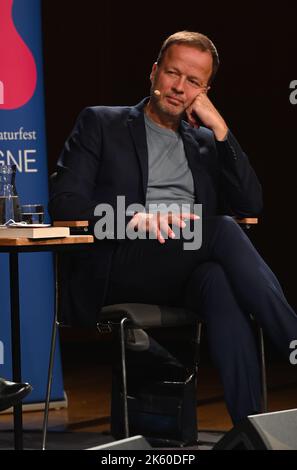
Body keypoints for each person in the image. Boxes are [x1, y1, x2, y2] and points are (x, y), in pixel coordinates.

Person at [49, 31, 297, 424]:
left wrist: (220, 129)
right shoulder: (101, 121)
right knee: (220, 231)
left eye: (193, 82)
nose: (179, 87)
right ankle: (292, 339)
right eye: (172, 73)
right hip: (122, 259)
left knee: (218, 281)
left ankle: (251, 429)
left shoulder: (201, 141)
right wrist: (135, 216)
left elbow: (251, 205)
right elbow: (66, 204)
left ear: (205, 90)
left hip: (184, 267)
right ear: (154, 72)